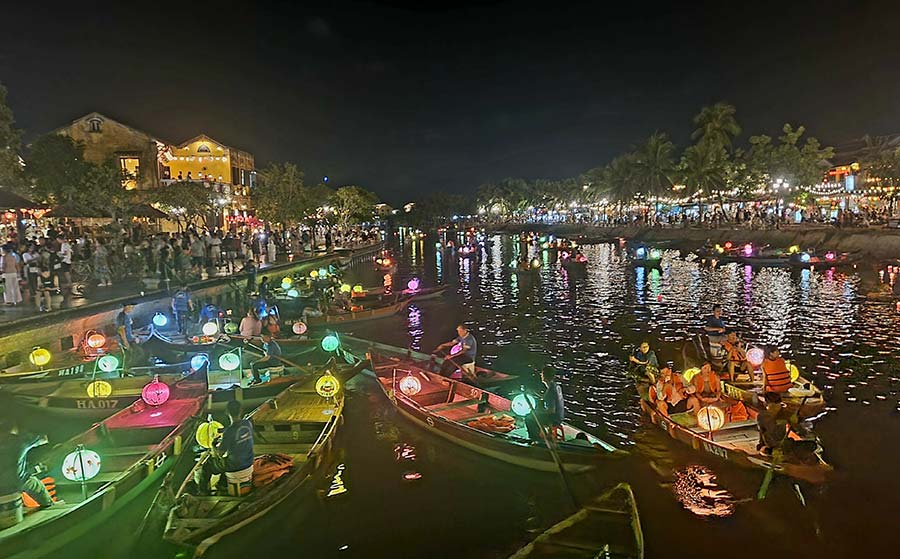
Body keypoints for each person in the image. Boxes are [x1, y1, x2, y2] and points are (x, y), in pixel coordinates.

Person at [196, 400, 254, 495]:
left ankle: (202, 492)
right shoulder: (247, 424)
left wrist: (213, 445)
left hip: (235, 466)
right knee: (225, 461)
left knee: (208, 465)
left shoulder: (229, 431)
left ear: (227, 412)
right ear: (241, 410)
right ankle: (222, 484)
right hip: (249, 461)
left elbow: (220, 453)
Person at [0, 422, 56, 509]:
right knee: (38, 487)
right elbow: (44, 439)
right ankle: (49, 506)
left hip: (2, 485)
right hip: (20, 481)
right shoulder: (19, 441)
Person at [116, 302, 144, 377]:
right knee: (135, 353)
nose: (132, 309)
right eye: (131, 307)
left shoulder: (126, 316)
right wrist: (125, 342)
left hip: (129, 339)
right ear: (127, 306)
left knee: (136, 353)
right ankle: (126, 369)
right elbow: (121, 330)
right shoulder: (121, 317)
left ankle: (128, 370)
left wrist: (133, 336)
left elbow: (127, 329)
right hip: (126, 340)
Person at [756, 391, 787, 455]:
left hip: (777, 445)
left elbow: (762, 431)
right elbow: (762, 432)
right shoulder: (784, 413)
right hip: (774, 444)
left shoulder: (762, 416)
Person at [540, 366, 565, 437]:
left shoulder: (551, 391)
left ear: (544, 375)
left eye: (542, 373)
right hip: (560, 417)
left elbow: (551, 411)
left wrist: (538, 411)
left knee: (529, 418)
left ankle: (535, 438)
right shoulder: (556, 386)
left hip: (554, 419)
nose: (541, 375)